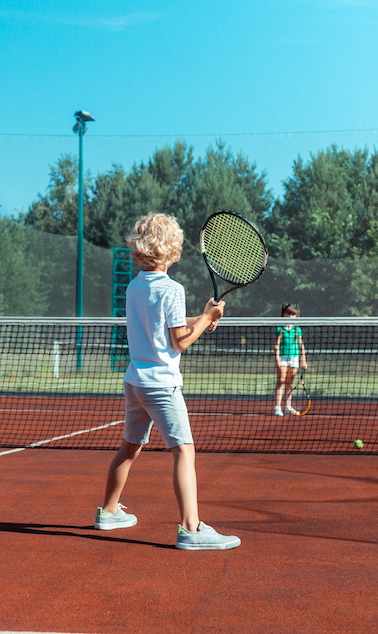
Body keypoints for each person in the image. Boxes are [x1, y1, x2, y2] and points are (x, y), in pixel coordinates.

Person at [94, 213, 241, 551]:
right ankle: (191, 529)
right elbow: (178, 342)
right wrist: (206, 319)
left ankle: (109, 511)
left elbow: (161, 323)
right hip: (162, 385)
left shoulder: (134, 286)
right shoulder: (173, 289)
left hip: (134, 383)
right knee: (184, 451)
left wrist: (201, 318)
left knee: (130, 447)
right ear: (172, 251)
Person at [273, 303, 307, 416]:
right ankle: (277, 407)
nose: (290, 317)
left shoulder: (297, 330)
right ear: (283, 315)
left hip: (294, 359)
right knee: (280, 383)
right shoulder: (280, 329)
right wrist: (277, 360)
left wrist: (304, 361)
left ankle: (288, 407)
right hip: (282, 358)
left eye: (293, 314)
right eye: (288, 314)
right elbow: (276, 346)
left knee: (289, 385)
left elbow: (301, 346)